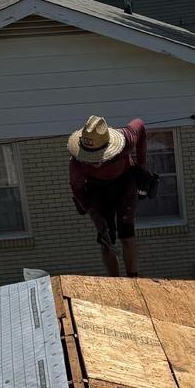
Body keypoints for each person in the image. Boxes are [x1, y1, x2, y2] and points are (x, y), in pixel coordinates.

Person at [67, 115, 153, 278]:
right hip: (96, 191)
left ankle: (133, 279)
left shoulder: (126, 139)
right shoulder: (77, 164)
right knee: (106, 238)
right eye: (90, 158)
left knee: (126, 231)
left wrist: (142, 167)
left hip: (124, 182)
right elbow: (78, 190)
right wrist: (95, 215)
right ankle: (113, 283)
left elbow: (140, 125)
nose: (94, 162)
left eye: (98, 156)